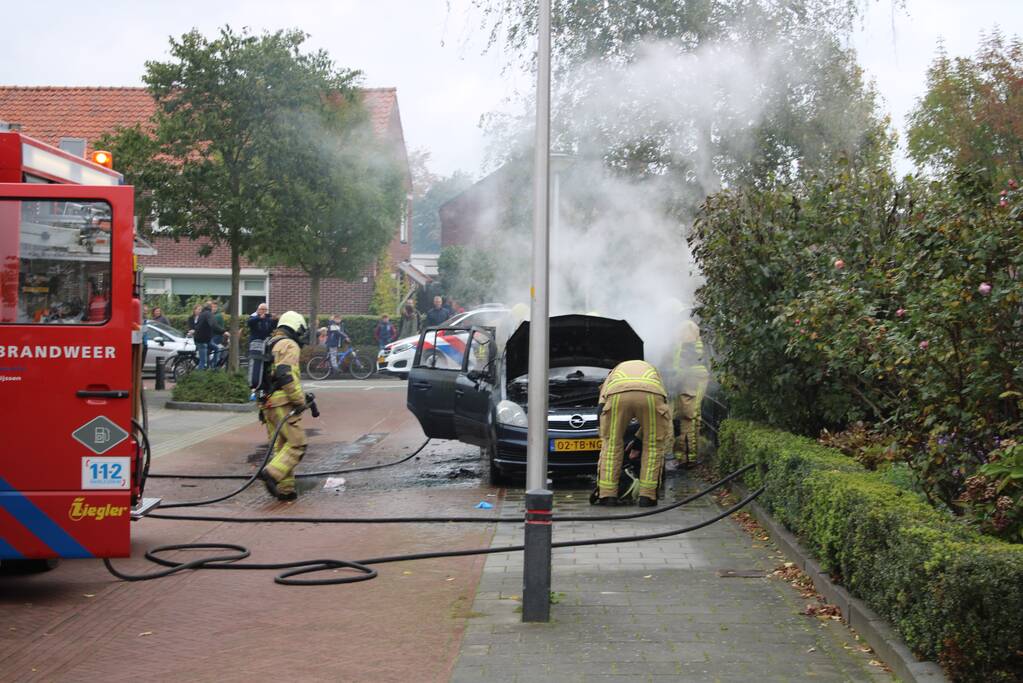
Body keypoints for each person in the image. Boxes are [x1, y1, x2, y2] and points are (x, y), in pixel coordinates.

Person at [594, 360, 672, 507]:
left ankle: (607, 495)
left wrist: (603, 430)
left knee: (611, 445)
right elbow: (661, 409)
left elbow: (601, 405)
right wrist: (638, 441)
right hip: (652, 394)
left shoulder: (613, 374)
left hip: (617, 395)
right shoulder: (653, 371)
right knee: (653, 446)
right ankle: (647, 497)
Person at [258, 311, 309, 501]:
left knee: (281, 447)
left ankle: (286, 490)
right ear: (295, 327)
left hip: (267, 403)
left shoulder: (269, 343)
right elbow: (285, 374)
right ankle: (271, 474)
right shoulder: (289, 344)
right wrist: (299, 400)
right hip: (281, 401)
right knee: (297, 443)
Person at [670, 320, 709, 465]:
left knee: (687, 417)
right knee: (692, 416)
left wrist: (674, 383)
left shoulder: (686, 341)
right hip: (692, 379)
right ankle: (687, 455)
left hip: (689, 380)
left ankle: (686, 457)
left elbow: (683, 365)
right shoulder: (692, 339)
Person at [192, 301, 218, 369]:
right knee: (203, 361)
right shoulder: (207, 314)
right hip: (201, 340)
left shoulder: (206, 314)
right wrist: (223, 331)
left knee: (216, 348)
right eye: (213, 307)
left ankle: (213, 366)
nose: (215, 309)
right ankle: (199, 377)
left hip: (206, 339)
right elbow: (212, 325)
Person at [210, 300, 226, 367]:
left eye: (215, 307)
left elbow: (213, 326)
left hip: (217, 336)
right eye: (212, 307)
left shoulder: (218, 316)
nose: (214, 308)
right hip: (213, 336)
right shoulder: (212, 315)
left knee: (213, 349)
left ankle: (213, 364)